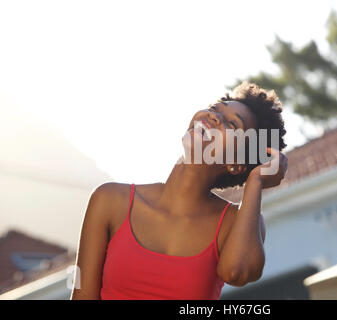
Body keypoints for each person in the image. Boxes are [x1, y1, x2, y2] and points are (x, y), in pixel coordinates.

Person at [70, 81, 288, 300]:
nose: (214, 117)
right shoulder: (110, 199)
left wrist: (256, 181)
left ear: (237, 163)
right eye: (214, 109)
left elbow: (237, 272)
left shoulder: (235, 222)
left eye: (231, 125)